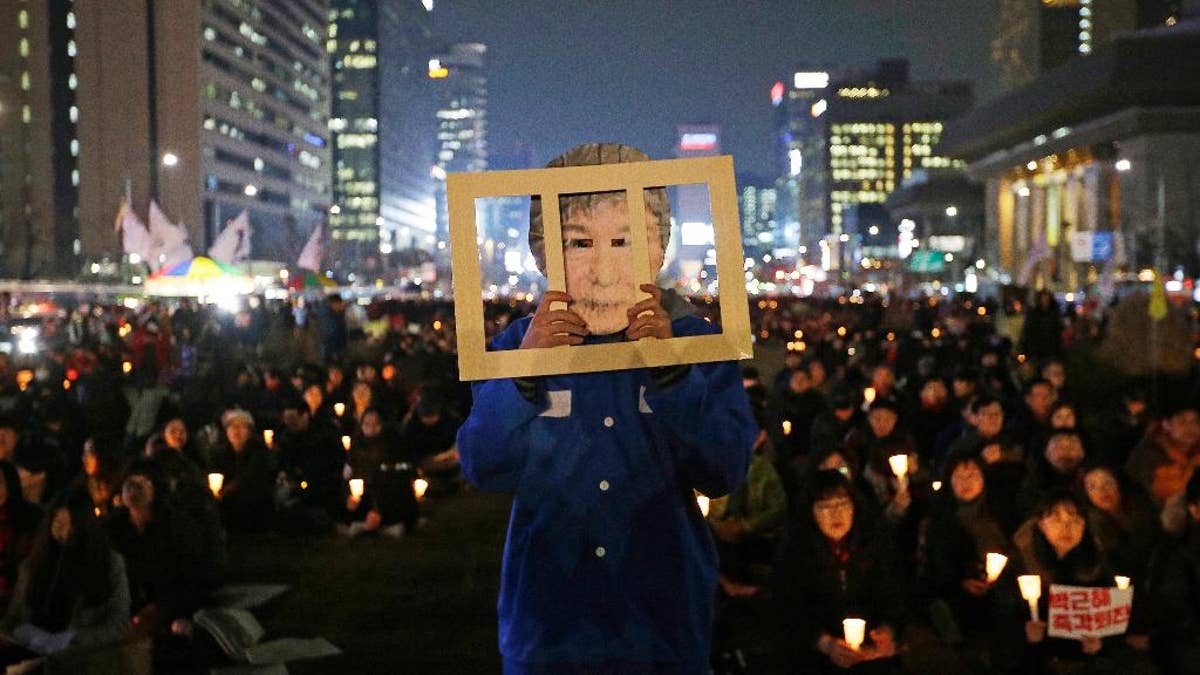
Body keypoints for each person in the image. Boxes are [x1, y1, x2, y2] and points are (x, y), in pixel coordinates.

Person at [457, 143, 755, 672]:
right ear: (544, 253)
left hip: (661, 626)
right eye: (578, 243)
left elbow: (725, 469)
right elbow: (484, 465)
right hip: (550, 626)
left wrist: (672, 374)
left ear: (657, 248)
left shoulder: (696, 343)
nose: (601, 268)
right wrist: (526, 372)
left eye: (623, 240)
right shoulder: (517, 346)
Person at [775, 470, 905, 673]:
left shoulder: (874, 542)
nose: (836, 514)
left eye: (842, 504)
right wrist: (825, 643)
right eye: (825, 507)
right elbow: (789, 611)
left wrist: (888, 631)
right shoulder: (796, 551)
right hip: (816, 655)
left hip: (872, 650)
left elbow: (895, 595)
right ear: (811, 512)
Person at [3, 493, 130, 658]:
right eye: (57, 523)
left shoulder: (108, 564)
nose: (61, 530)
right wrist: (17, 633)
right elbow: (14, 617)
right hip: (30, 651)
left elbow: (118, 624)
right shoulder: (34, 563)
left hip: (78, 657)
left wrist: (73, 638)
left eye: (69, 524)